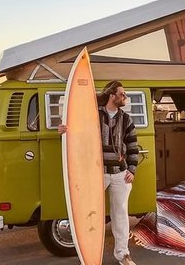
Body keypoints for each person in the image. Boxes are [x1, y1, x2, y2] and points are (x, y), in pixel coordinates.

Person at [58, 80, 138, 265]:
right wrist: (63, 130)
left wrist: (132, 170)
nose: (125, 97)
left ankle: (123, 255)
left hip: (120, 173)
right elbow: (79, 132)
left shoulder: (126, 119)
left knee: (120, 214)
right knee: (89, 212)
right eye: (122, 94)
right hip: (96, 173)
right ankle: (89, 255)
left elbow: (133, 146)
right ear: (112, 96)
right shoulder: (95, 115)